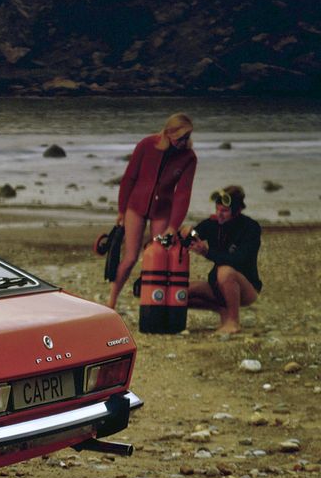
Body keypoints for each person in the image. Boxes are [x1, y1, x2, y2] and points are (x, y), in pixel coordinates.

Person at [106, 112, 197, 311]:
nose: (184, 142)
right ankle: (111, 300)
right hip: (135, 206)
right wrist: (121, 210)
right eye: (180, 138)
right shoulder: (147, 145)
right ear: (168, 133)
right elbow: (129, 177)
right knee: (130, 258)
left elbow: (183, 193)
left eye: (187, 138)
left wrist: (173, 226)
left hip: (162, 210)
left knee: (160, 252)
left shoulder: (189, 157)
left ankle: (153, 299)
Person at [185, 185, 261, 335]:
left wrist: (207, 252)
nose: (219, 214)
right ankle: (222, 309)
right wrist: (187, 232)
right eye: (217, 209)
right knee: (180, 294)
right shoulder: (213, 224)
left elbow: (238, 260)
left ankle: (233, 321)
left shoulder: (250, 228)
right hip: (217, 286)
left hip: (246, 287)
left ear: (237, 210)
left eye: (224, 211)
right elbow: (194, 233)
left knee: (225, 271)